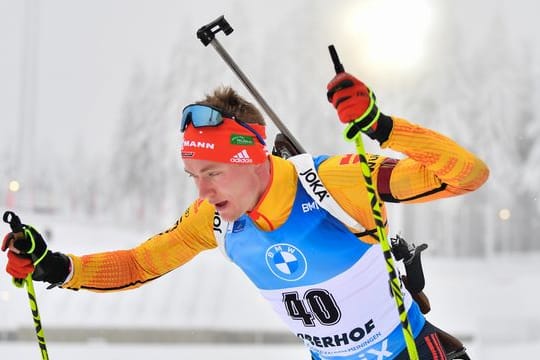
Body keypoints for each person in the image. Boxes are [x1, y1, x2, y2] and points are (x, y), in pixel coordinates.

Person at [2, 71, 489, 359]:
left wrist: (383, 127)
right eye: (192, 174)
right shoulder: (214, 220)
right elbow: (139, 263)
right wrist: (57, 266)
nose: (203, 190)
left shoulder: (332, 184)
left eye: (212, 172)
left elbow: (466, 174)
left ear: (252, 157)